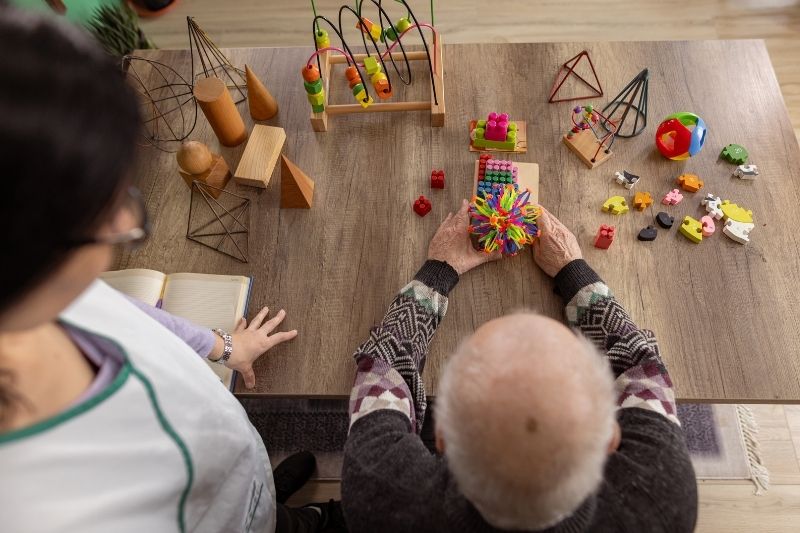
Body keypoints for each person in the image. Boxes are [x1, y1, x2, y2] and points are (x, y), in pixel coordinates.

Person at [0, 8, 343, 533]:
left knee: (279, 511)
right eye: (114, 210)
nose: (126, 220)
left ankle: (278, 504)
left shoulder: (54, 291)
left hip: (238, 477)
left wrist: (225, 347)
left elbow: (134, 316)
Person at [341, 202, 698, 532]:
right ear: (611, 437)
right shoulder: (665, 499)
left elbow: (382, 362)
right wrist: (572, 271)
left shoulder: (376, 489)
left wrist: (439, 269)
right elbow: (643, 365)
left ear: (441, 439)